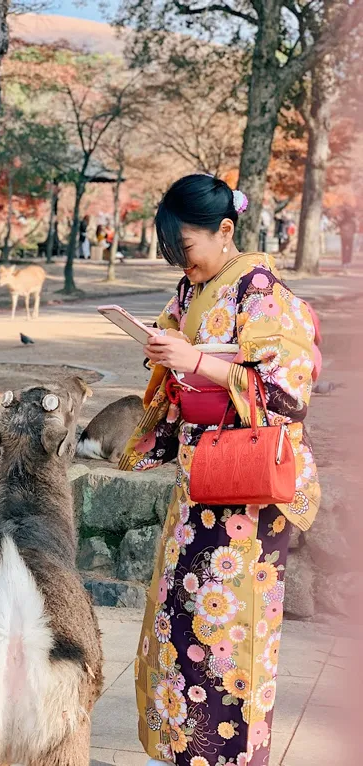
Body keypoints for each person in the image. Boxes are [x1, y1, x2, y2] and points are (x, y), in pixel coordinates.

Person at [119, 175, 320, 766]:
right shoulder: (191, 290)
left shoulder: (260, 290)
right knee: (181, 627)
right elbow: (177, 374)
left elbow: (289, 392)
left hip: (248, 496)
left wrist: (198, 361)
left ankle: (231, 757)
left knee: (232, 634)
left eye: (187, 248)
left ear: (225, 230)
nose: (183, 263)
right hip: (199, 479)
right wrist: (166, 357)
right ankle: (186, 750)